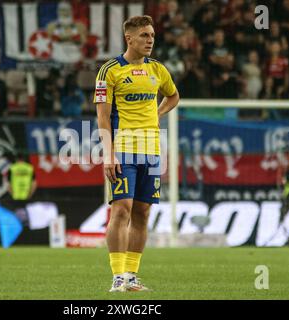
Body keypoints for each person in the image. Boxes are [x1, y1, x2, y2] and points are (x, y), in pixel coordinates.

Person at [94, 15, 179, 292]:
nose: (150, 40)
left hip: (152, 150)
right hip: (123, 150)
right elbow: (103, 118)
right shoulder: (109, 71)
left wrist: (158, 111)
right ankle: (118, 276)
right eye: (144, 35)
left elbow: (173, 96)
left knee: (142, 213)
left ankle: (131, 276)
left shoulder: (158, 69)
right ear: (128, 38)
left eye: (152, 35)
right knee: (122, 210)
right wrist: (108, 154)